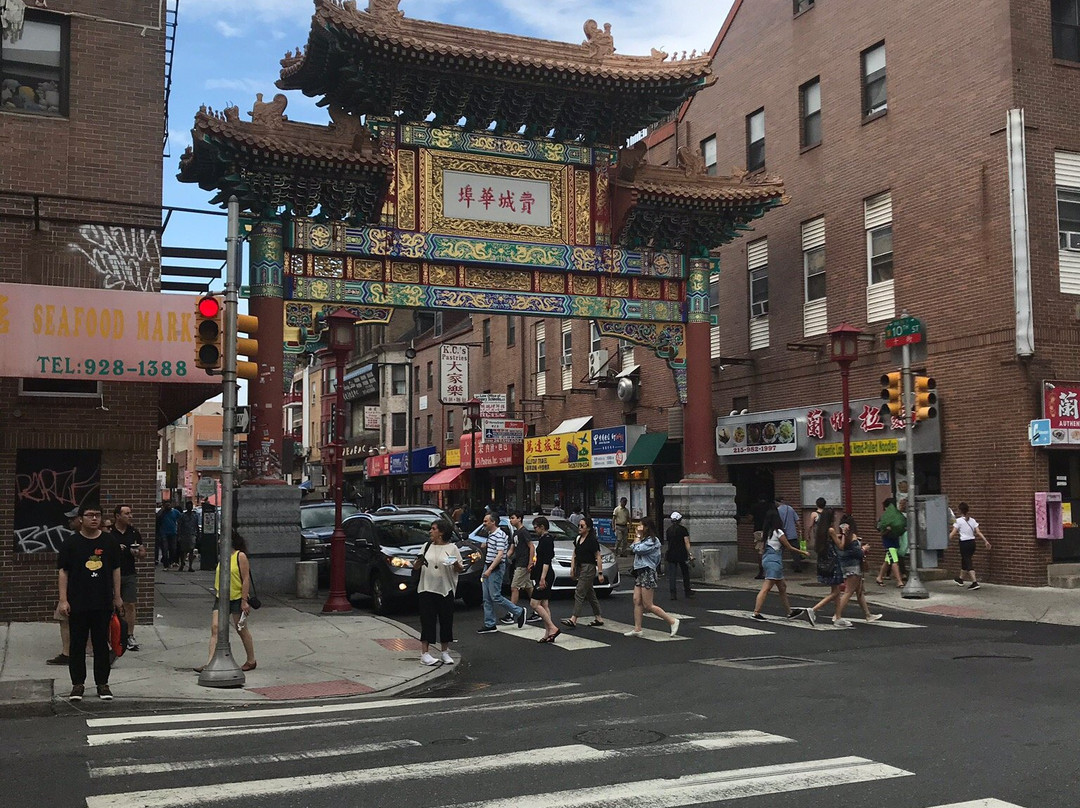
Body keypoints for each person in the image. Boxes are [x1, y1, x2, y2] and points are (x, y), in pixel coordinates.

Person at [57, 502, 123, 701]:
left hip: (102, 601)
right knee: (77, 644)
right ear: (80, 519)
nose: (94, 518)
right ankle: (77, 684)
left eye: (97, 515)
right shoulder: (71, 543)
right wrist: (63, 600)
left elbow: (116, 570)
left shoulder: (109, 541)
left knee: (101, 644)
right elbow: (63, 572)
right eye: (90, 515)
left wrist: (117, 596)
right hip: (78, 601)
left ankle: (102, 684)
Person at [195, 533, 256, 673]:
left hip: (237, 597)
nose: (218, 541)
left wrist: (244, 600)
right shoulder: (223, 556)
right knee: (215, 627)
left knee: (241, 629)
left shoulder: (240, 556)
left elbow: (245, 579)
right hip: (221, 597)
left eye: (221, 539)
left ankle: (251, 660)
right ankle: (210, 662)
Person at [416, 519, 464, 665]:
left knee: (446, 620)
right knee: (427, 621)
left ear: (441, 532)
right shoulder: (426, 546)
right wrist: (419, 561)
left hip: (445, 589)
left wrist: (454, 563)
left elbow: (460, 568)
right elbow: (416, 567)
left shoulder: (452, 548)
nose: (430, 531)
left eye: (433, 529)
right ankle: (425, 653)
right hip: (426, 588)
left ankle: (444, 652)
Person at [751, 506, 810, 621]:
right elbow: (789, 547)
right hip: (774, 562)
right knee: (766, 588)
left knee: (782, 587)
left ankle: (789, 612)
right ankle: (756, 612)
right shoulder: (778, 532)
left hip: (767, 559)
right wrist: (803, 552)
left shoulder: (767, 532)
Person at [625, 518, 680, 637]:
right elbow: (633, 547)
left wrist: (637, 536)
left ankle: (672, 621)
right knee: (636, 600)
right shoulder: (644, 539)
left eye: (640, 526)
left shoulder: (653, 541)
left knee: (648, 604)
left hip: (647, 571)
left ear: (646, 527)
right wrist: (638, 538)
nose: (638, 528)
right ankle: (637, 629)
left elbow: (637, 549)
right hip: (640, 572)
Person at [476, 512, 526, 634]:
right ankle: (490, 624)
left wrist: (489, 570)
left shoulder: (499, 535)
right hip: (488, 565)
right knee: (486, 597)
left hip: (495, 568)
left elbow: (499, 555)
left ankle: (518, 611)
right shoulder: (491, 534)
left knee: (495, 596)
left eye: (486, 521)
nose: (484, 523)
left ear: (493, 522)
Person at [47, 507, 82, 666]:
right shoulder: (72, 541)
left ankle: (68, 653)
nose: (69, 521)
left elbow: (64, 570)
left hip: (77, 588)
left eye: (72, 518)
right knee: (65, 619)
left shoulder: (73, 542)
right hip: (74, 588)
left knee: (66, 619)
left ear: (80, 519)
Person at [834, 515, 883, 626]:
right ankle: (837, 615)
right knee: (849, 592)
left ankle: (868, 615)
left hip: (845, 565)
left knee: (859, 591)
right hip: (854, 566)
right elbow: (857, 553)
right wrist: (864, 549)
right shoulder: (852, 537)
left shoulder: (840, 537)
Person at [110, 503, 145, 652]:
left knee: (129, 604)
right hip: (111, 574)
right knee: (110, 605)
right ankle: (111, 636)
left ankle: (129, 635)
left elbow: (143, 553)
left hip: (129, 573)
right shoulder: (109, 532)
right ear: (117, 516)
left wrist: (137, 553)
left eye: (130, 513)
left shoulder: (134, 532)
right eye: (127, 513)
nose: (130, 516)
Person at [561, 515, 605, 629]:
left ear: (588, 528)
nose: (579, 528)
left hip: (589, 567)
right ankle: (598, 617)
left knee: (579, 591)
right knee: (590, 593)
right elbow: (574, 554)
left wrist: (600, 573)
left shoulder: (592, 541)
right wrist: (572, 568)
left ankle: (574, 619)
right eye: (579, 525)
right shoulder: (578, 539)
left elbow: (598, 556)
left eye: (582, 526)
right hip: (580, 567)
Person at [503, 510, 540, 623]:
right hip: (519, 562)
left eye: (513, 518)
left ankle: (511, 613)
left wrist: (530, 562)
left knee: (514, 587)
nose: (511, 520)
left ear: (519, 519)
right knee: (529, 588)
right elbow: (512, 549)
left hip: (523, 564)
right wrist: (504, 558)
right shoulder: (515, 533)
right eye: (510, 518)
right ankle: (537, 610)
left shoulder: (524, 532)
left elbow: (531, 546)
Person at [529, 516, 560, 643]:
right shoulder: (544, 539)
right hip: (541, 573)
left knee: (534, 603)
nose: (535, 530)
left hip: (545, 575)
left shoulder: (547, 540)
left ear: (542, 527)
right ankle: (548, 633)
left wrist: (542, 578)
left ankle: (552, 628)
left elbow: (546, 561)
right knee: (544, 604)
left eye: (536, 527)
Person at [809, 507, 841, 625]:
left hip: (824, 560)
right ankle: (813, 609)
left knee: (835, 590)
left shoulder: (821, 530)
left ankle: (838, 616)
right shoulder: (831, 530)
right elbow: (840, 545)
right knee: (836, 592)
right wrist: (844, 535)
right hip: (833, 560)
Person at [950, 502, 991, 590]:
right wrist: (986, 541)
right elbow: (978, 532)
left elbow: (953, 533)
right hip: (972, 543)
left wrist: (946, 540)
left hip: (964, 543)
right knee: (965, 559)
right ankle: (960, 579)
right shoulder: (972, 520)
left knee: (967, 560)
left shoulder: (958, 521)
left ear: (959, 510)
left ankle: (974, 582)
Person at [875, 497, 907, 588]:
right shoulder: (886, 517)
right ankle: (899, 581)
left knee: (888, 561)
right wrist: (887, 530)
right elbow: (880, 530)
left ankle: (879, 577)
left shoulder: (890, 516)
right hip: (889, 543)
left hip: (893, 541)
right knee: (894, 561)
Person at [664, 511, 694, 600]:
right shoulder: (683, 530)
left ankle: (673, 593)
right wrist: (690, 554)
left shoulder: (668, 530)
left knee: (672, 575)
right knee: (685, 573)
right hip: (681, 553)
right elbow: (686, 542)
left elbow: (668, 542)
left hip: (671, 553)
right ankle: (687, 591)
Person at [776, 496, 803, 573]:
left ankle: (778, 566)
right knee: (795, 552)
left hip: (782, 534)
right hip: (792, 534)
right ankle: (797, 567)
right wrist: (800, 530)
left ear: (777, 502)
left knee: (779, 551)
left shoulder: (777, 510)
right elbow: (797, 521)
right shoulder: (790, 509)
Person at [177, 501, 199, 572]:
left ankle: (190, 566)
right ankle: (182, 564)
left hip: (192, 535)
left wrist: (197, 534)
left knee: (191, 550)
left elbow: (196, 525)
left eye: (191, 506)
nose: (190, 507)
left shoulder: (195, 516)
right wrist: (179, 535)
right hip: (184, 535)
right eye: (188, 506)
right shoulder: (182, 516)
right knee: (183, 551)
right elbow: (179, 526)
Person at [158, 503, 180, 569]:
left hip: (173, 533)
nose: (168, 506)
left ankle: (170, 561)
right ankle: (166, 564)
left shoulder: (175, 512)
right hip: (164, 533)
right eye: (166, 505)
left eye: (169, 505)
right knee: (165, 549)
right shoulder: (162, 513)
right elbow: (158, 518)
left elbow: (181, 518)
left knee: (173, 548)